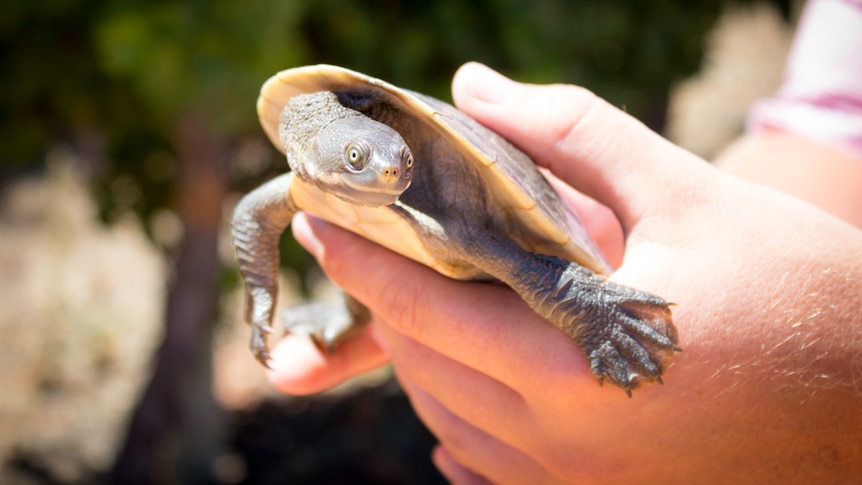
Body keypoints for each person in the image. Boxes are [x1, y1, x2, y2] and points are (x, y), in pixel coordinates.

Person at [264, 1, 862, 483]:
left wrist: (836, 399)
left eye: (399, 160)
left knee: (478, 252)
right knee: (367, 270)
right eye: (364, 160)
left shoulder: (411, 183)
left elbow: (513, 258)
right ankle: (341, 313)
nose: (391, 172)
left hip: (504, 238)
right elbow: (831, 124)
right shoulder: (312, 137)